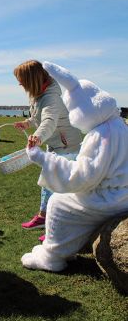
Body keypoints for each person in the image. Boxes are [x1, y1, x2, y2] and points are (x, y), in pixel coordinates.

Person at [22, 61, 128, 272]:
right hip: (121, 194)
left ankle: (52, 257)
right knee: (66, 203)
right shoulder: (118, 125)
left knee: (59, 204)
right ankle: (66, 248)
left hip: (109, 198)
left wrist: (42, 158)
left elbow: (82, 176)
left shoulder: (100, 135)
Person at [13, 60, 82, 241]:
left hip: (67, 147)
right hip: (55, 145)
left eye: (21, 80)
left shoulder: (51, 97)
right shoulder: (38, 94)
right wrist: (27, 123)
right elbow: (37, 116)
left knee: (60, 189)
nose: (20, 84)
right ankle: (44, 217)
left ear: (31, 79)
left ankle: (57, 227)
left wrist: (37, 137)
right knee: (47, 184)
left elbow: (48, 122)